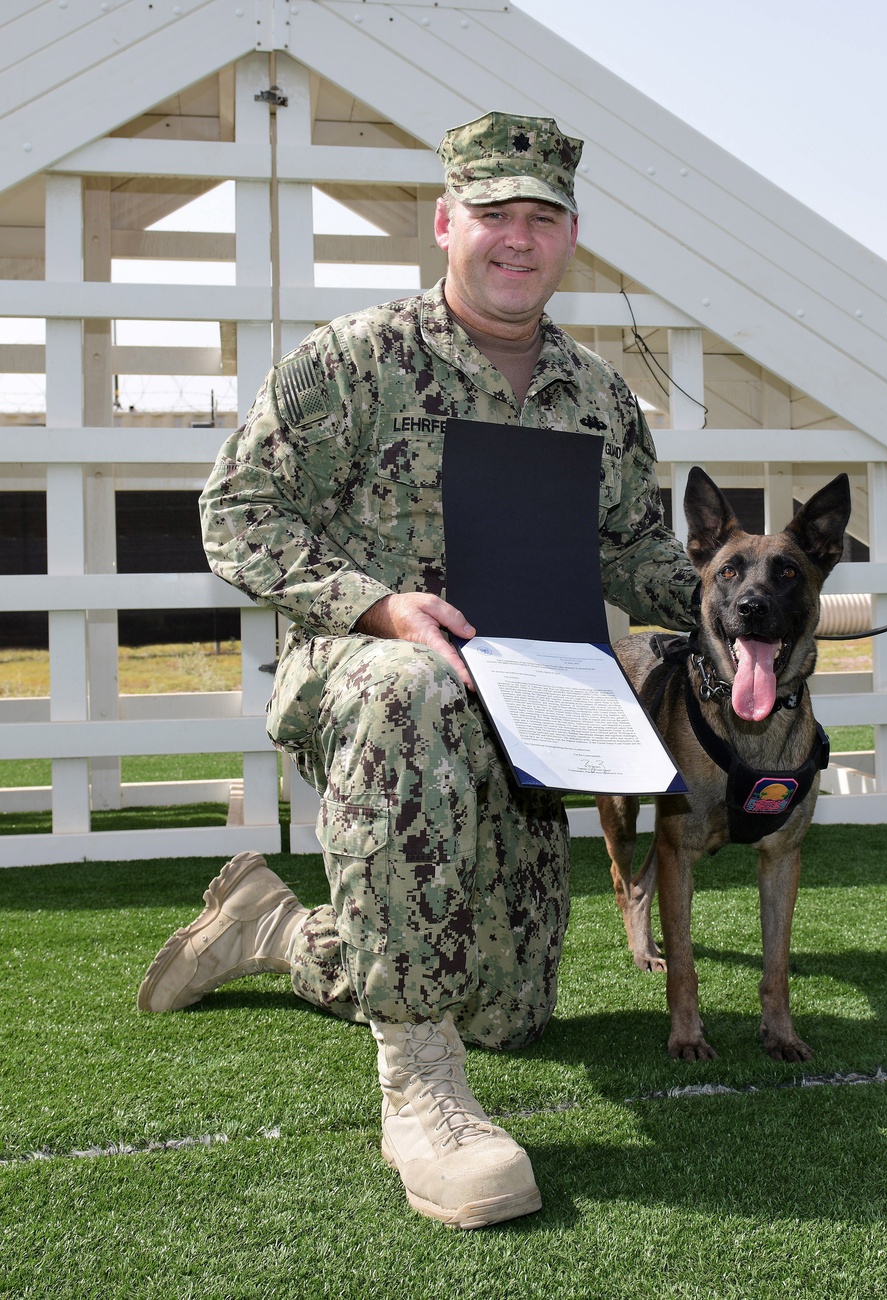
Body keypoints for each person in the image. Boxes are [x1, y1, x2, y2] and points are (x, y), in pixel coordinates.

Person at [137, 110, 700, 1229]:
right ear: (446, 222)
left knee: (509, 1009)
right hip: (369, 687)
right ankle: (420, 1094)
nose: (516, 239)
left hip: (531, 715)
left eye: (540, 219)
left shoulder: (598, 399)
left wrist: (751, 619)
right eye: (494, 214)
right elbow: (234, 514)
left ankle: (277, 930)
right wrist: (377, 604)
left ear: (570, 238)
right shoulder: (353, 363)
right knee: (418, 683)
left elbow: (638, 553)